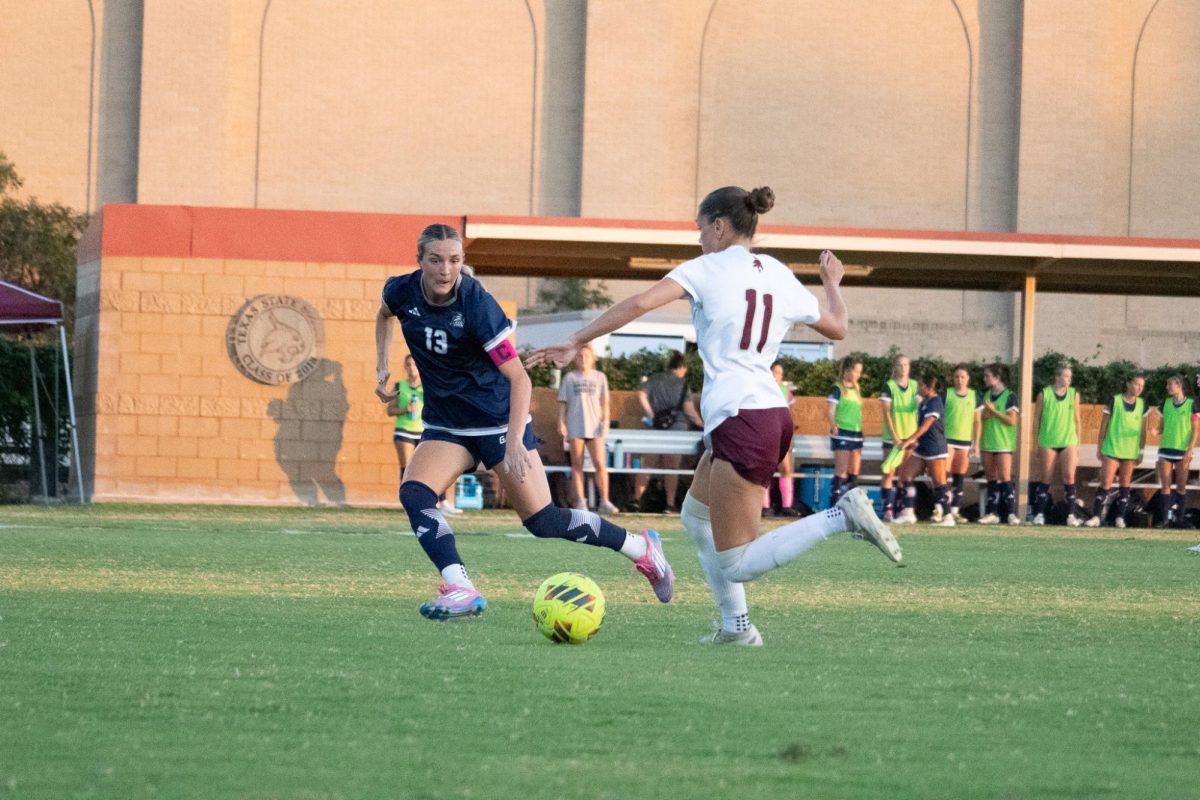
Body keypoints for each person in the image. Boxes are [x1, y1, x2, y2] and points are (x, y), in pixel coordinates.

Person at [527, 185, 900, 647]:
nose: (699, 238)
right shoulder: (779, 273)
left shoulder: (705, 267)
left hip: (742, 418)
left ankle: (840, 517)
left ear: (719, 226)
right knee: (695, 518)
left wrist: (577, 340)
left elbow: (641, 303)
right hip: (765, 414)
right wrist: (832, 285)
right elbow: (837, 327)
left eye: (701, 228)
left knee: (737, 562)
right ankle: (736, 628)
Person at [374, 223, 673, 619]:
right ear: (420, 261)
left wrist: (515, 441)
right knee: (414, 494)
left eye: (455, 261)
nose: (446, 270)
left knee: (544, 521)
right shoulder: (401, 290)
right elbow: (383, 316)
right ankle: (460, 586)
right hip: (448, 425)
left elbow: (520, 378)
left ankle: (640, 548)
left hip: (497, 422)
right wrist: (380, 367)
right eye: (436, 260)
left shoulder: (477, 305)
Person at [631, 351, 703, 512]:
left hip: (656, 427)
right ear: (682, 367)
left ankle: (636, 500)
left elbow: (640, 394)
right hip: (677, 429)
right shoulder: (682, 384)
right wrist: (701, 424)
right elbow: (689, 410)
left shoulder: (655, 379)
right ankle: (669, 504)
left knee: (647, 465)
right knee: (672, 468)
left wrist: (651, 414)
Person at [557, 343, 618, 515]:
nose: (583, 359)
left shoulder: (600, 377)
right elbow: (563, 403)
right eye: (579, 356)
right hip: (575, 425)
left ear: (593, 359)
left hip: (595, 427)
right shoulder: (569, 378)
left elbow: (605, 402)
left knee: (600, 464)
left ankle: (605, 501)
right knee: (577, 465)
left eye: (586, 356)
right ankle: (580, 502)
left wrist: (605, 422)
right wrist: (561, 422)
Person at [1085, 374, 1149, 529]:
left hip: (1130, 450)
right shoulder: (1115, 400)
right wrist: (1099, 447)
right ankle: (1096, 517)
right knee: (1106, 481)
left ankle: (1120, 517)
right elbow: (1103, 426)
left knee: (1125, 484)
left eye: (1142, 386)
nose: (1139, 388)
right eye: (1136, 384)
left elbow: (1143, 430)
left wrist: (1141, 451)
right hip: (1112, 447)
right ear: (1128, 384)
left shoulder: (1142, 404)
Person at [895, 370, 955, 526]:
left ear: (929, 388)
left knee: (939, 483)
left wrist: (908, 441)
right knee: (905, 475)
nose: (919, 388)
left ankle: (948, 517)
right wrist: (915, 442)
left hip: (935, 449)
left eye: (921, 385)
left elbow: (926, 426)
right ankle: (909, 513)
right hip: (922, 448)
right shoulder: (924, 402)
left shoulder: (935, 402)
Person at [1028, 362, 1083, 526]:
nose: (1068, 379)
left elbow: (1077, 420)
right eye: (1066, 376)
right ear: (1057, 377)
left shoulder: (1074, 394)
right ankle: (1039, 514)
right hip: (1048, 440)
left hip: (1068, 440)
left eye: (1070, 377)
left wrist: (1078, 444)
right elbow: (1036, 419)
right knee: (1046, 477)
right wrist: (1035, 442)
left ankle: (1071, 515)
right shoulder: (1044, 394)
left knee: (1069, 476)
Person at [1148, 374, 1197, 528]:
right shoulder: (1166, 404)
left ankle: (1179, 520)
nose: (1168, 387)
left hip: (1182, 451)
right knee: (1165, 486)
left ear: (1179, 385)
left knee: (1181, 486)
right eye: (1167, 385)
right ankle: (1164, 520)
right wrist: (1156, 431)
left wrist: (1190, 449)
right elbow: (1162, 426)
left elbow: (1196, 430)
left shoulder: (1192, 404)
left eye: (1170, 385)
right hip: (1165, 450)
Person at [978, 363, 1020, 525]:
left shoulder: (1010, 396)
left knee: (1005, 477)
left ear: (997, 378)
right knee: (991, 478)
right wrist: (987, 413)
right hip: (987, 442)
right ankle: (992, 513)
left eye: (987, 375)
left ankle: (1010, 513)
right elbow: (982, 417)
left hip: (1003, 443)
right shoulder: (986, 395)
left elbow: (1011, 421)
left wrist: (994, 411)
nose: (985, 378)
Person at [880, 354, 918, 522]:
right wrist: (895, 436)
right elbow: (886, 412)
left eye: (906, 365)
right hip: (893, 438)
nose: (903, 369)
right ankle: (887, 509)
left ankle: (903, 510)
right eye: (900, 365)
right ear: (895, 367)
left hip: (910, 437)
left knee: (905, 475)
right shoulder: (889, 386)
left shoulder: (915, 386)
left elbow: (920, 409)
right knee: (889, 473)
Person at [943, 364, 982, 522]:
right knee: (943, 476)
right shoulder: (946, 394)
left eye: (962, 377)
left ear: (968, 379)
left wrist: (976, 443)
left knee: (959, 477)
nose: (959, 380)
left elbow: (978, 422)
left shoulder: (974, 396)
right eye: (956, 377)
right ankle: (943, 509)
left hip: (965, 442)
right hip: (947, 440)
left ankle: (954, 510)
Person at [827, 356, 864, 506]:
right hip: (842, 432)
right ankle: (833, 505)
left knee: (854, 472)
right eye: (856, 371)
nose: (858, 375)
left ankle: (849, 506)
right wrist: (833, 425)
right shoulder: (837, 388)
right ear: (847, 371)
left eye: (860, 372)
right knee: (841, 471)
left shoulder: (857, 388)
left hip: (856, 433)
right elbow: (830, 410)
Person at [765, 360, 799, 516]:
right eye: (774, 371)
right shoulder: (762, 387)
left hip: (782, 433)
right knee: (766, 469)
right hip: (766, 433)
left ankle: (786, 506)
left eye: (779, 373)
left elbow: (790, 412)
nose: (776, 375)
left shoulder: (785, 390)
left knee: (785, 468)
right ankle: (764, 507)